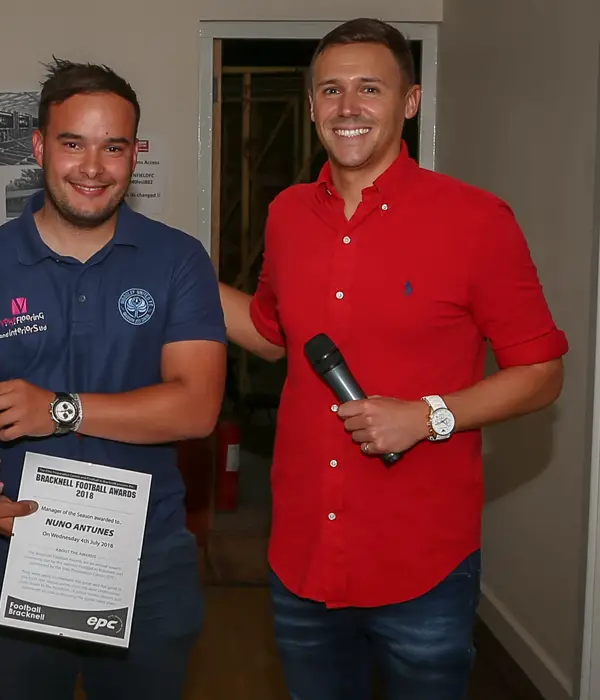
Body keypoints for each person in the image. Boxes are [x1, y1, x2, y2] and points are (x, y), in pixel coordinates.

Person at [219, 17, 568, 700]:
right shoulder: (287, 213)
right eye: (330, 90)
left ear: (408, 101)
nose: (347, 108)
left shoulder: (476, 221)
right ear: (314, 102)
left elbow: (541, 371)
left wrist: (429, 416)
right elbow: (270, 332)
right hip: (301, 560)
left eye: (369, 88)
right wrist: (170, 274)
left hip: (422, 565)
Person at [0, 58, 227, 700]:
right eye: (73, 144)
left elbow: (197, 407)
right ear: (39, 148)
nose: (92, 167)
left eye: (113, 147)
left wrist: (59, 409)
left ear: (133, 154)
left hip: (148, 557)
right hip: (10, 547)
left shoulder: (177, 260)